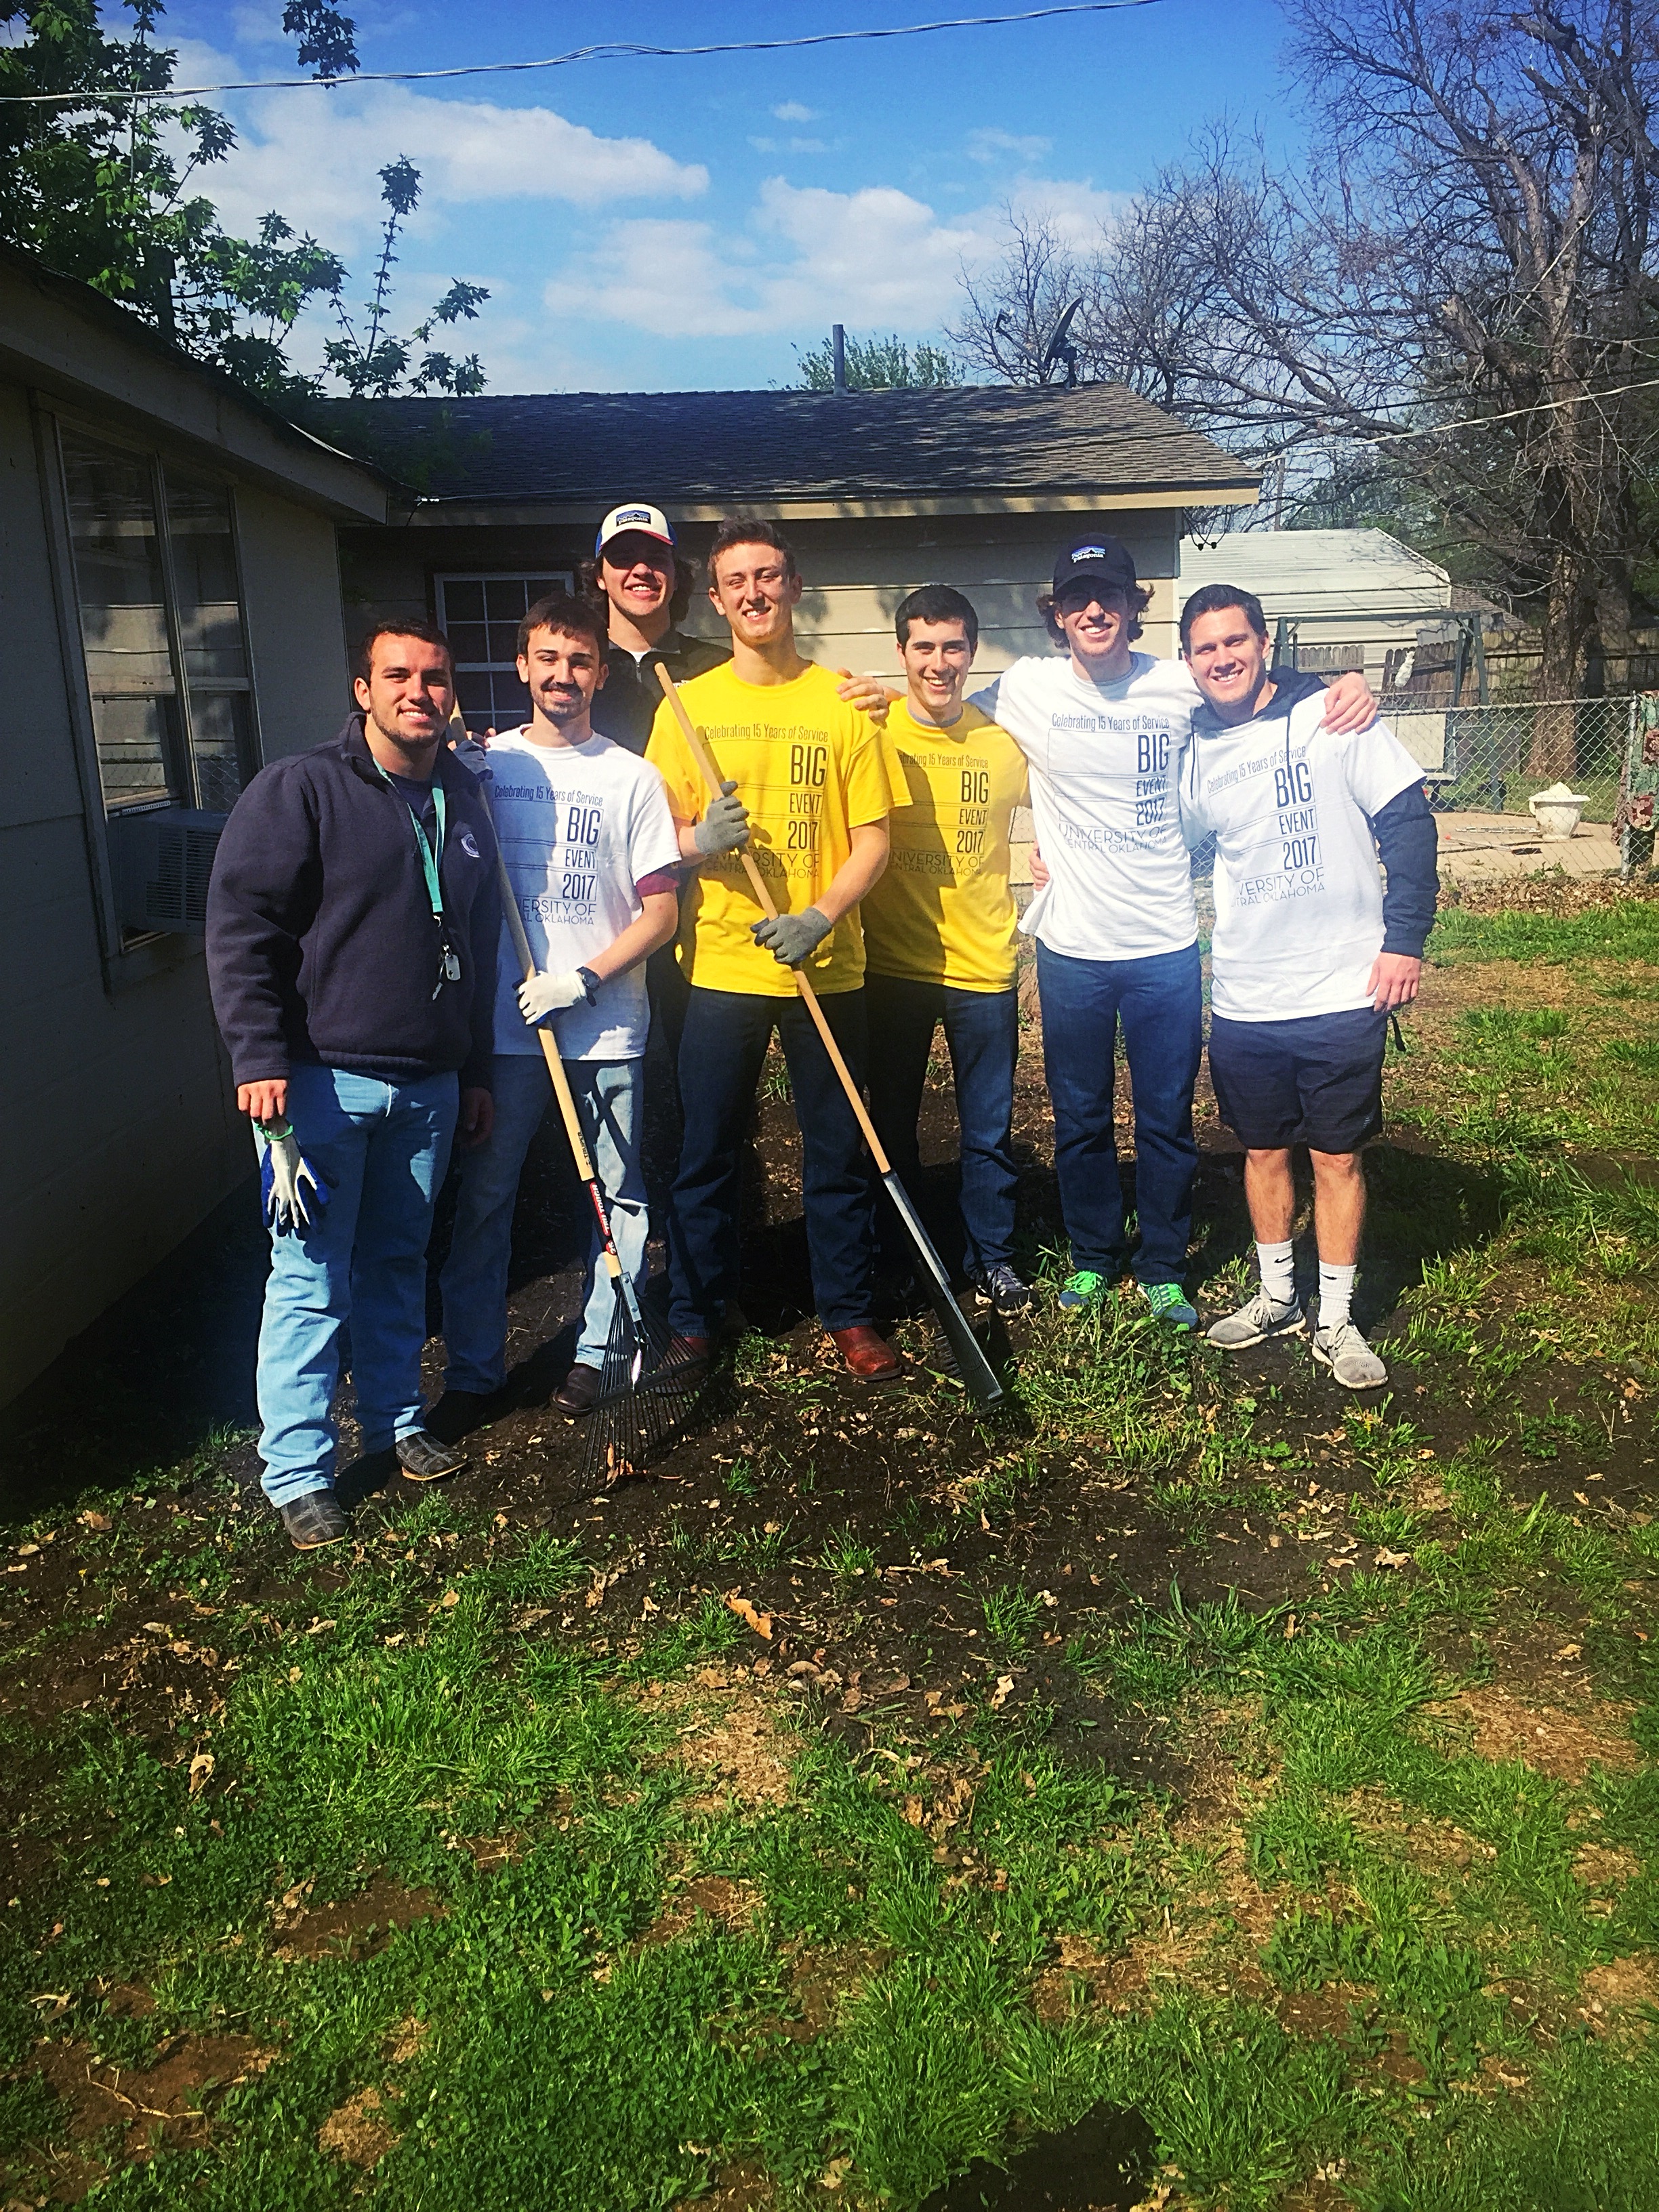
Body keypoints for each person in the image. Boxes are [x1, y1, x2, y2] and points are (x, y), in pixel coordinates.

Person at [975, 533, 1375, 1328]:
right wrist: (876, 700)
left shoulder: (1174, 686)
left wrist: (1344, 684)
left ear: (1133, 608)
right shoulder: (1028, 686)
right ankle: (1094, 1256)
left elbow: (1259, 687)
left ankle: (1162, 1263)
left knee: (1165, 1116)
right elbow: (943, 705)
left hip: (1163, 945)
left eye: (1112, 597)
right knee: (1080, 1114)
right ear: (1057, 615)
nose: (1096, 611)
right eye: (1079, 600)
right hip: (1072, 949)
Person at [206, 623, 500, 1550]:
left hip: (430, 1088)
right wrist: (257, 1057)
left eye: (435, 677)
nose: (419, 691)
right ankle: (297, 1471)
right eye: (398, 676)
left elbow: (481, 949)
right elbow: (242, 928)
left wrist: (477, 1070)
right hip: (318, 1086)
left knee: (395, 1264)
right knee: (308, 1278)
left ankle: (395, 1422)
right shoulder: (302, 789)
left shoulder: (463, 794)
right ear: (363, 690)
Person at [644, 518, 907, 1379]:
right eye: (736, 581)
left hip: (825, 966)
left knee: (838, 1146)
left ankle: (850, 1312)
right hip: (720, 964)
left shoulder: (843, 702)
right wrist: (696, 835)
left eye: (769, 576)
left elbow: (873, 838)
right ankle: (694, 1314)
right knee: (708, 1149)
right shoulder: (690, 705)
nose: (754, 593)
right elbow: (652, 835)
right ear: (715, 601)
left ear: (794, 587)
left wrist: (823, 916)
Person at [1179, 585, 1437, 1388]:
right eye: (1204, 649)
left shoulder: (1333, 717)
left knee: (1335, 1159)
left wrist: (1405, 944)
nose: (1221, 659)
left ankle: (1337, 1320)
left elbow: (1409, 824)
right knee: (1260, 1152)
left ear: (1263, 644)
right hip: (1247, 997)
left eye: (1234, 642)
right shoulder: (1194, 754)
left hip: (1340, 988)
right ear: (1189, 662)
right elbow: (1173, 852)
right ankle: (1277, 1296)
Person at [437, 592, 682, 1418]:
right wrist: (455, 774)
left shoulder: (632, 777)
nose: (563, 675)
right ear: (523, 666)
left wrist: (583, 979)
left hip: (607, 1025)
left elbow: (661, 913)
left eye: (580, 661)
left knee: (617, 1196)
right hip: (508, 1034)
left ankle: (601, 1349)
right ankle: (474, 1365)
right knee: (485, 1197)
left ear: (601, 672)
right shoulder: (484, 768)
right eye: (548, 659)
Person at [860, 585, 1033, 1316]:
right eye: (923, 647)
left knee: (988, 1130)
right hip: (893, 968)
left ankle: (991, 1258)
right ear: (901, 653)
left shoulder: (1003, 743)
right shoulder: (871, 730)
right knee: (890, 1124)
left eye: (953, 647)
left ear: (971, 653)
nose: (939, 663)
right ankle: (904, 1259)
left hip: (984, 966)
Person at [580, 503, 730, 757]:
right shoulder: (577, 668)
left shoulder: (721, 667)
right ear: (600, 577)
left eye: (657, 558)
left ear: (677, 575)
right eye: (624, 558)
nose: (641, 570)